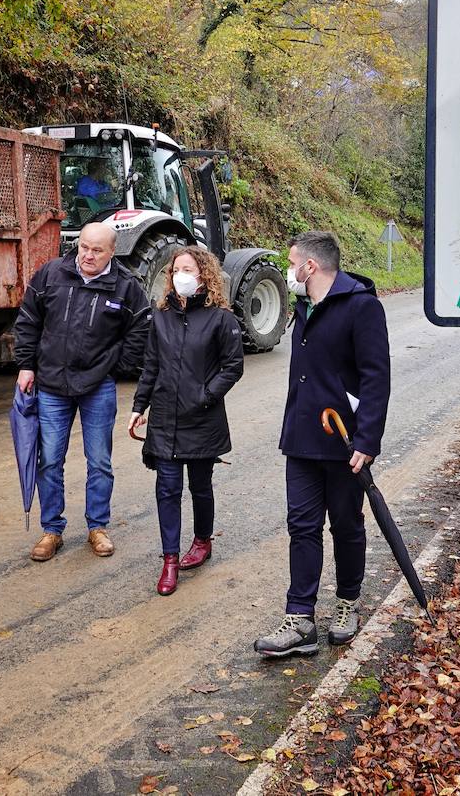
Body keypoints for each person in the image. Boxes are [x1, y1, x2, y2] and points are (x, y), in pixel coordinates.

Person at [254, 231, 390, 658]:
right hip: (301, 439)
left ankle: (348, 603)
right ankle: (300, 619)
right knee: (302, 527)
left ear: (309, 266)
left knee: (346, 526)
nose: (288, 269)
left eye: (292, 262)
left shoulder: (361, 307)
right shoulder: (303, 306)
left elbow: (376, 378)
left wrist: (367, 439)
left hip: (346, 442)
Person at [12, 221, 151, 561]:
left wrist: (115, 368)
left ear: (111, 252)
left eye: (97, 250)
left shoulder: (125, 286)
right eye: (84, 247)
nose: (87, 255)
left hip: (97, 387)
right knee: (49, 462)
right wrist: (26, 365)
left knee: (100, 462)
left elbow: (140, 329)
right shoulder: (51, 274)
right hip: (52, 385)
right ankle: (51, 531)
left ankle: (97, 527)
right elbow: (28, 320)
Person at [130, 246, 245, 595]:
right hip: (164, 419)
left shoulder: (221, 319)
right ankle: (169, 560)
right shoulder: (160, 315)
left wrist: (205, 396)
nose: (181, 275)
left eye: (189, 270)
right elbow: (151, 365)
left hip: (202, 419)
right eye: (176, 269)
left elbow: (233, 367)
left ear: (203, 276)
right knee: (167, 489)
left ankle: (202, 540)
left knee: (199, 486)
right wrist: (139, 406)